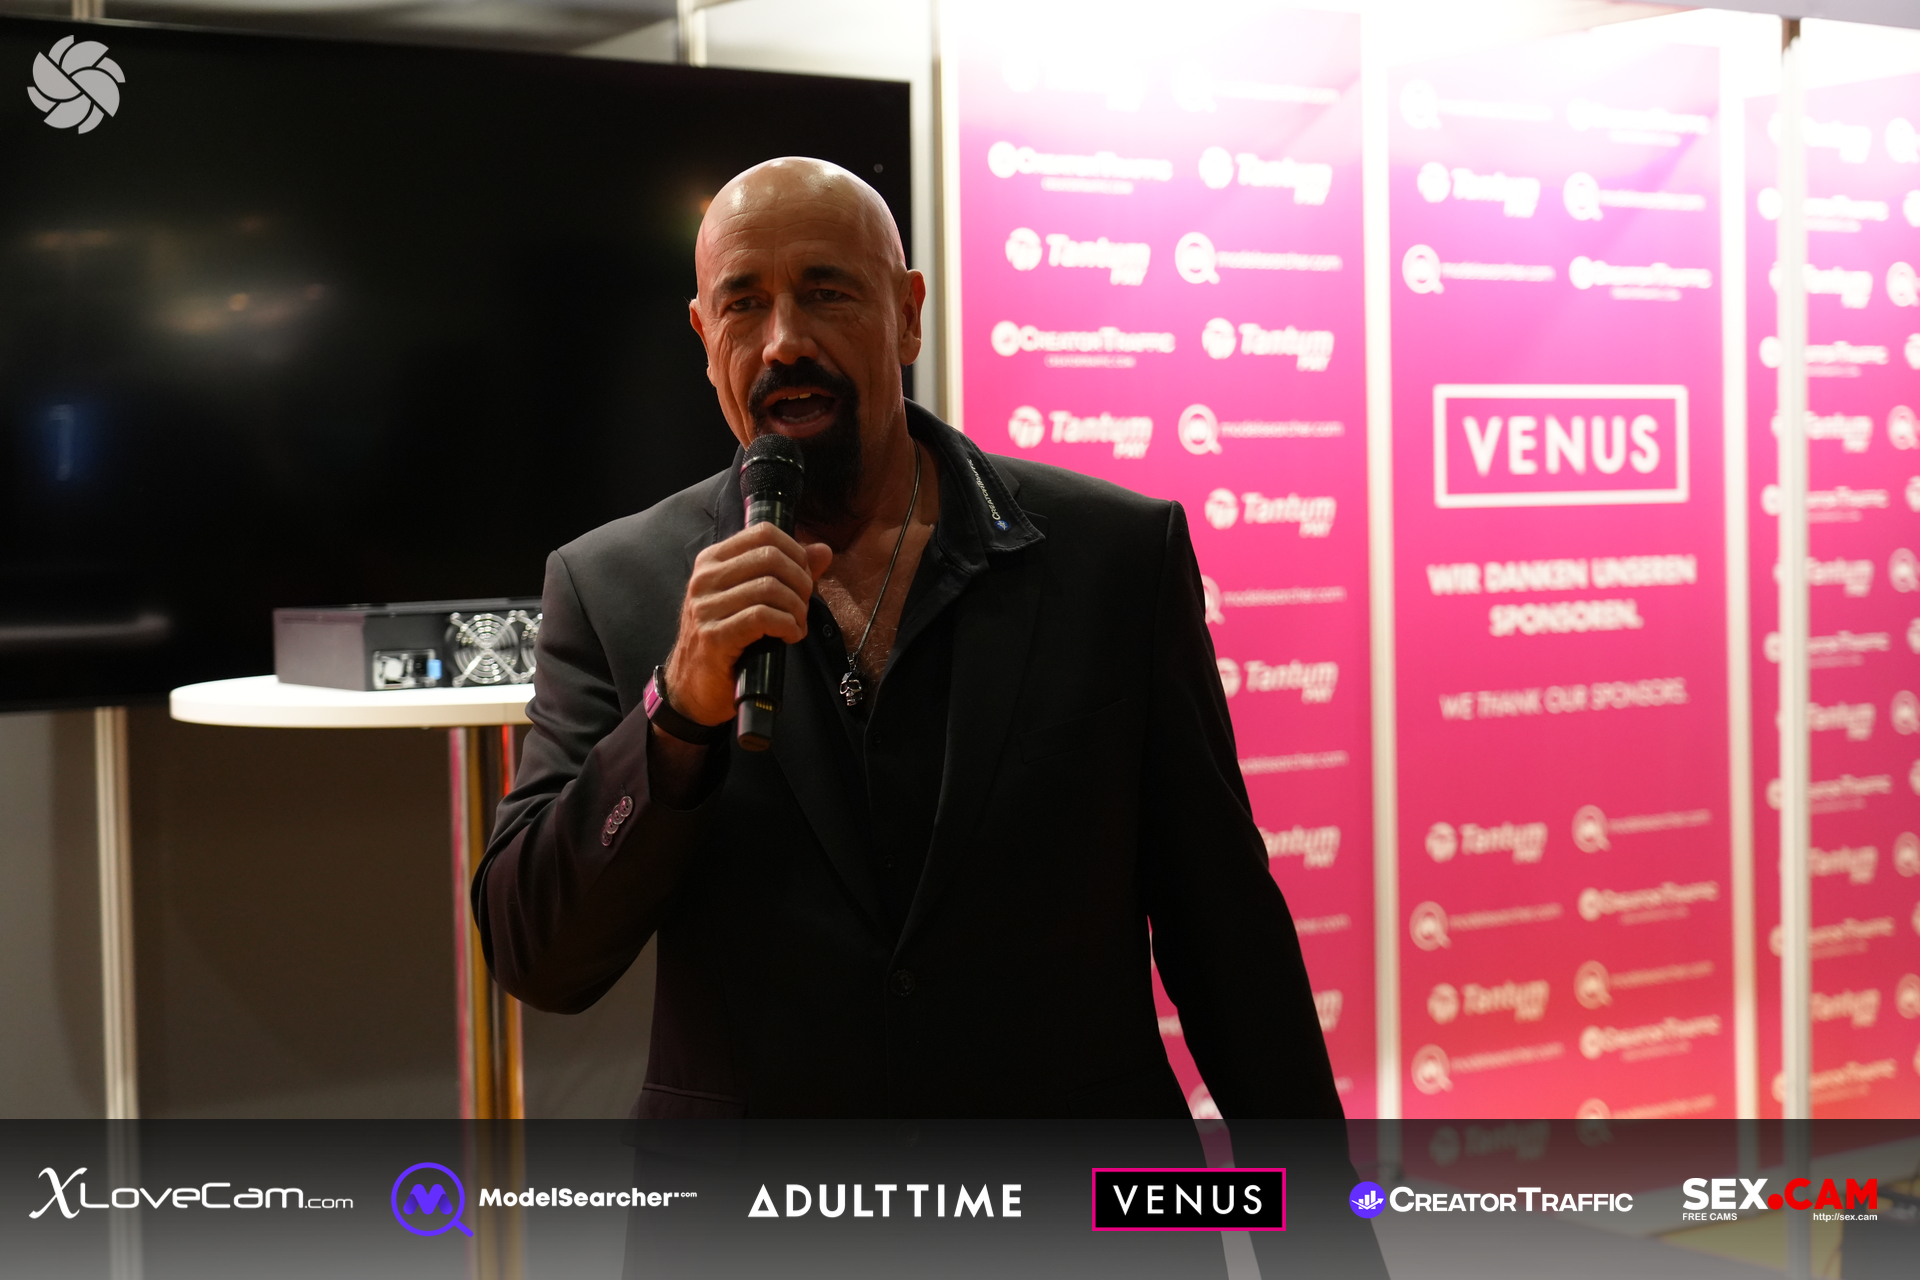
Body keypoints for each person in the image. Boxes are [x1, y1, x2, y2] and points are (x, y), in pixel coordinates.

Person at [473, 156, 1342, 1120]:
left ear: (908, 313)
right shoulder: (608, 586)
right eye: (743, 304)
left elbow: (1225, 934)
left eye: (826, 292)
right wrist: (674, 718)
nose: (783, 340)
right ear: (704, 337)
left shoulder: (1115, 558)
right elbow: (536, 956)